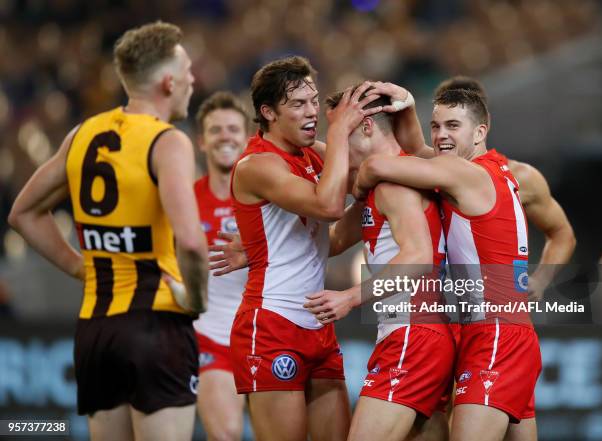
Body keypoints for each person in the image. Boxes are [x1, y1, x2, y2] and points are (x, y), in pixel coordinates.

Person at [8, 22, 208, 441]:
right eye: (187, 69)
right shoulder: (168, 141)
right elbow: (191, 240)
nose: (193, 79)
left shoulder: (83, 134)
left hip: (96, 329)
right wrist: (196, 299)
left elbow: (23, 213)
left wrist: (80, 267)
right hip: (156, 322)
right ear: (169, 81)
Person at [353, 88, 541, 441]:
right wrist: (409, 105)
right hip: (504, 331)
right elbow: (420, 152)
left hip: (494, 332)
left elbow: (377, 164)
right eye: (435, 125)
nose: (441, 136)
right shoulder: (491, 169)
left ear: (480, 132)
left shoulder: (463, 173)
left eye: (453, 126)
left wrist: (362, 185)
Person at [229, 56, 382, 441]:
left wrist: (368, 196)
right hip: (271, 325)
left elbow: (329, 241)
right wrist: (339, 133)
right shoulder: (257, 165)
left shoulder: (311, 154)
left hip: (319, 326)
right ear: (268, 112)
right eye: (298, 104)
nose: (312, 111)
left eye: (313, 100)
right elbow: (329, 206)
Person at [304, 89, 454, 441]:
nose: (336, 147)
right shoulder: (377, 188)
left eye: (342, 134)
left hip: (413, 333)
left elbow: (417, 257)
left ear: (367, 127)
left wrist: (350, 297)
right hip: (418, 335)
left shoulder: (394, 184)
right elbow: (333, 241)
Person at [434, 76, 576, 303]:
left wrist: (540, 280)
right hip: (435, 312)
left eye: (454, 123)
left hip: (495, 314)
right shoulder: (423, 173)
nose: (445, 131)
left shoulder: (521, 177)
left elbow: (562, 234)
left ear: (483, 122)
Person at [191, 91, 249, 441]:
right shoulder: (184, 198)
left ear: (246, 138)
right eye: (215, 130)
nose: (225, 136)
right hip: (210, 335)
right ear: (201, 141)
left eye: (232, 129)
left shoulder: (269, 196)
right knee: (226, 434)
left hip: (265, 334)